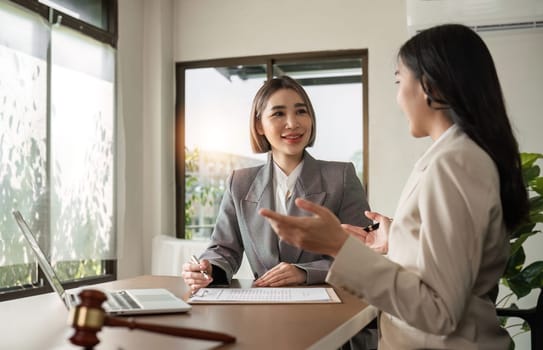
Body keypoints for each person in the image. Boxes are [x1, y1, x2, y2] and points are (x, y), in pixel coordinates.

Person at [259, 24, 529, 350]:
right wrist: (397, 236)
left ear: (428, 85)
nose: (398, 98)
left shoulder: (455, 164)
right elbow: (444, 264)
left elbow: (439, 311)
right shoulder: (456, 157)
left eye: (400, 82)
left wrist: (339, 248)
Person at [182, 75, 371, 293]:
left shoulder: (341, 176)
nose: (293, 123)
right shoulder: (240, 183)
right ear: (259, 125)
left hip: (331, 304)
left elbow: (361, 253)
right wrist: (207, 270)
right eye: (278, 114)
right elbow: (223, 249)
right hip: (263, 307)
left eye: (301, 111)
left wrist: (305, 272)